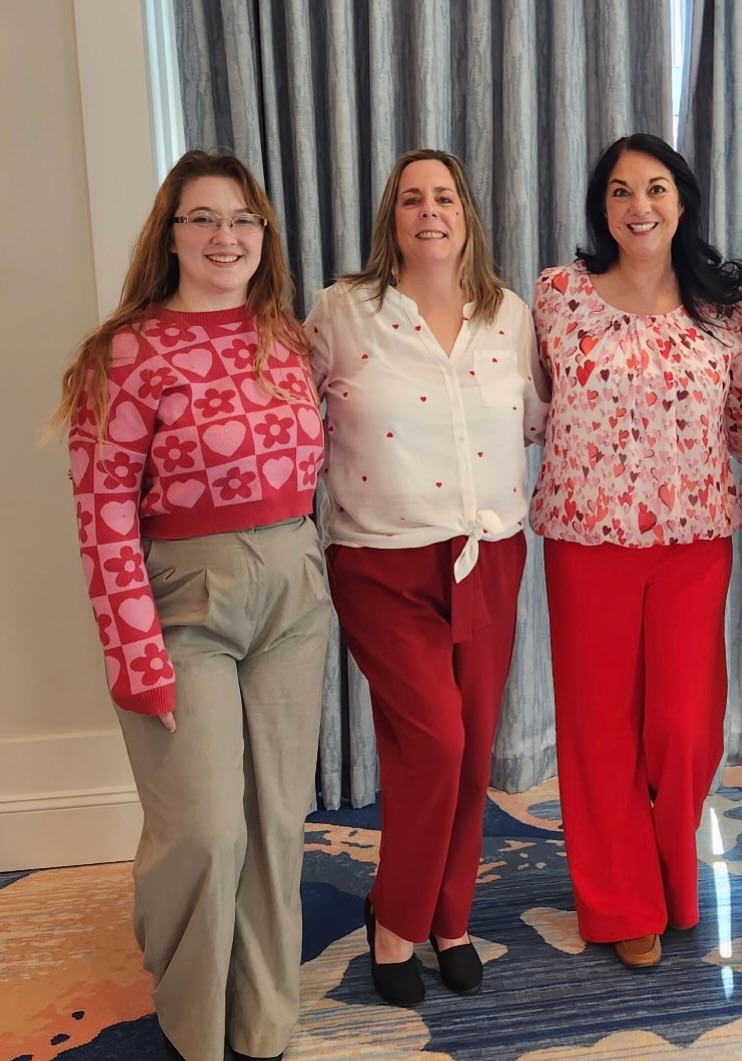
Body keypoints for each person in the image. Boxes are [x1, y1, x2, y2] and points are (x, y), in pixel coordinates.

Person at [54, 150, 331, 1061]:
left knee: (275, 818)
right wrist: (133, 649)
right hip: (182, 599)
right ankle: (193, 1019)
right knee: (206, 827)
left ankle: (262, 1020)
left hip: (293, 585)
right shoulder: (125, 350)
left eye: (243, 219)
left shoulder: (286, 335)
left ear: (264, 237)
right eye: (203, 218)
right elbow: (101, 512)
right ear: (169, 235)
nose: (226, 236)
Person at [305, 148, 548, 1006]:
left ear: (466, 212)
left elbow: (535, 421)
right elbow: (295, 421)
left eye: (444, 196)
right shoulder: (342, 311)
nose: (429, 211)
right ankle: (395, 921)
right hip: (379, 559)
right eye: (412, 199)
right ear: (391, 218)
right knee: (431, 744)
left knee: (472, 745)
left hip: (488, 555)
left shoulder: (509, 313)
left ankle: (451, 917)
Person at [529, 133, 742, 968]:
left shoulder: (724, 305)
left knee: (684, 728)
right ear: (602, 206)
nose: (638, 206)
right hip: (586, 541)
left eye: (654, 188)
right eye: (620, 191)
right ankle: (623, 900)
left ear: (681, 200)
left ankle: (672, 873)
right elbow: (529, 402)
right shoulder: (557, 295)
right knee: (598, 730)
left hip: (694, 542)